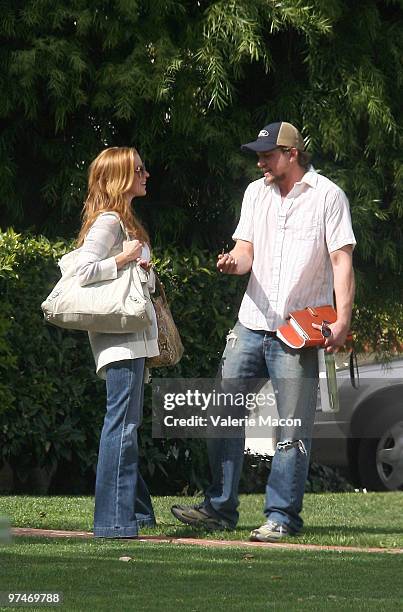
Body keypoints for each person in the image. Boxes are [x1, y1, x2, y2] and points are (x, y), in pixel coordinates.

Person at [171, 121, 356, 542]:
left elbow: (342, 261)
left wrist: (342, 320)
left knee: (291, 427)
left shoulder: (328, 196)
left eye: (267, 154)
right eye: (258, 153)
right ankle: (219, 509)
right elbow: (245, 250)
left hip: (298, 330)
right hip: (251, 321)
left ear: (292, 153)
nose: (260, 161)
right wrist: (232, 263)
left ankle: (282, 517)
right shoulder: (256, 193)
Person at [76, 146, 159, 538]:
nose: (146, 175)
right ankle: (111, 522)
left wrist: (144, 268)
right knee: (122, 426)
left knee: (127, 424)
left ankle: (139, 515)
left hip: (133, 339)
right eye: (139, 169)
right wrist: (125, 259)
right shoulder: (109, 221)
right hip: (120, 341)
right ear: (122, 177)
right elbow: (83, 270)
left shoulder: (127, 222)